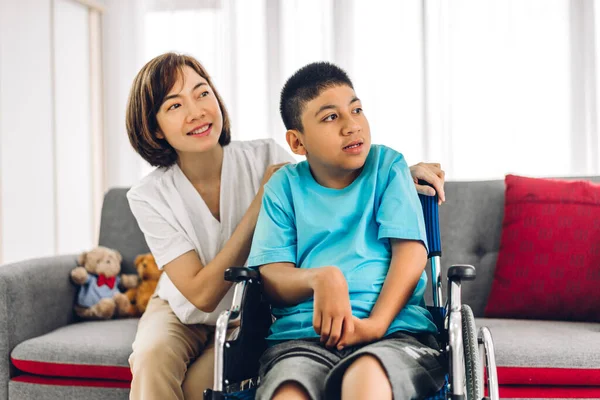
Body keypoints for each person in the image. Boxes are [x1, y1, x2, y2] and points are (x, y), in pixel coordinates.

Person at [124, 53, 446, 400]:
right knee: (151, 357)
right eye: (175, 105)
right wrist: (259, 201)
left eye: (202, 94)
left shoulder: (267, 155)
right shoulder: (149, 195)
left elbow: (327, 165)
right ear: (155, 127)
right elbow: (201, 296)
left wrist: (399, 175)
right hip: (186, 310)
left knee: (195, 392)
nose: (197, 111)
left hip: (246, 314)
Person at [247, 62, 446, 400]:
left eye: (356, 110)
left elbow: (411, 254)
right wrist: (320, 278)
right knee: (289, 392)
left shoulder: (387, 167)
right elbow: (272, 278)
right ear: (298, 142)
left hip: (394, 333)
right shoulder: (283, 187)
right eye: (330, 117)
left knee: (365, 380)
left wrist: (376, 324)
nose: (352, 125)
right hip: (302, 339)